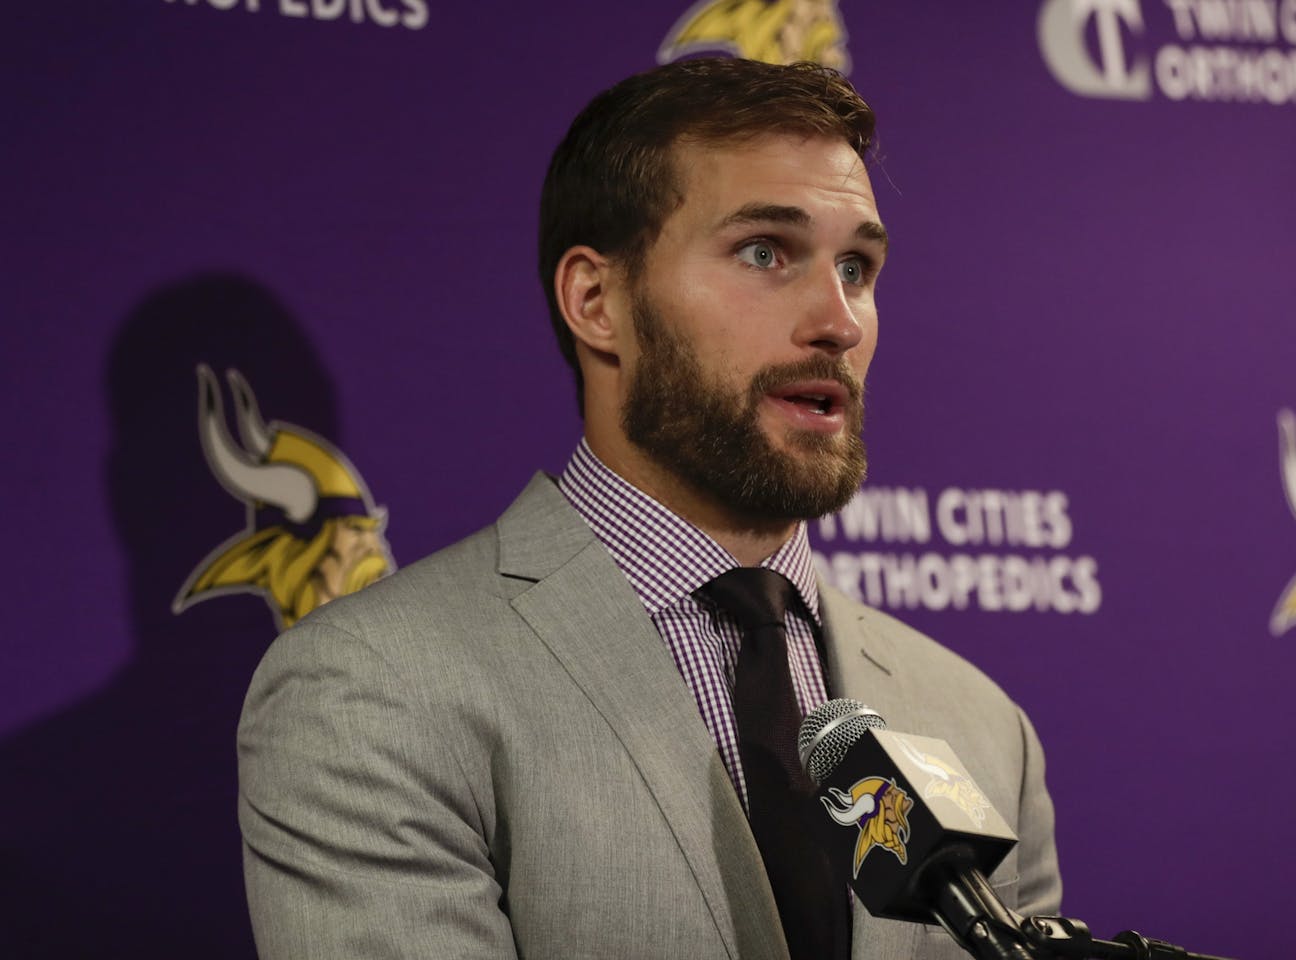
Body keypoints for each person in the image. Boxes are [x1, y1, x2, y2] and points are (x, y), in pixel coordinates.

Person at [238, 57, 1061, 960]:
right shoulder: (376, 688)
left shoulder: (980, 725)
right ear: (597, 301)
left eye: (858, 266)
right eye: (765, 252)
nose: (840, 320)